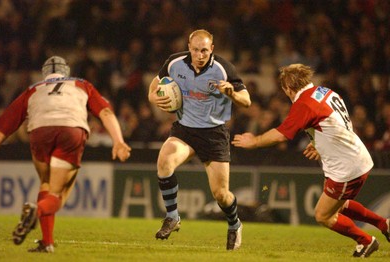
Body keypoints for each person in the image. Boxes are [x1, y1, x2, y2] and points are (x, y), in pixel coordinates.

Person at [232, 63, 390, 258]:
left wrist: (254, 141)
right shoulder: (324, 91)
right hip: (354, 156)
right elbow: (334, 121)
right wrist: (319, 143)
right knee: (340, 205)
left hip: (346, 166)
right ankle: (384, 224)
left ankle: (366, 241)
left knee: (323, 215)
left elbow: (281, 135)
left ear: (288, 89)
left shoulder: (304, 103)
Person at [0, 56, 132, 253]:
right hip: (70, 130)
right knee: (58, 194)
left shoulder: (32, 90)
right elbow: (106, 113)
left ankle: (46, 242)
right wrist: (118, 141)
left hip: (40, 132)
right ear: (67, 73)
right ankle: (36, 211)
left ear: (44, 74)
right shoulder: (82, 84)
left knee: (46, 185)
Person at [148, 29, 251, 250]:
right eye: (195, 50)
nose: (200, 55)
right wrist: (155, 99)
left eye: (204, 50)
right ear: (189, 47)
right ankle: (173, 216)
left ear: (211, 49)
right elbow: (154, 86)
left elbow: (247, 101)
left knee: (221, 195)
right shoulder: (175, 62)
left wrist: (232, 93)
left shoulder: (224, 68)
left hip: (214, 134)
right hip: (185, 130)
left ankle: (234, 224)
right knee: (164, 162)